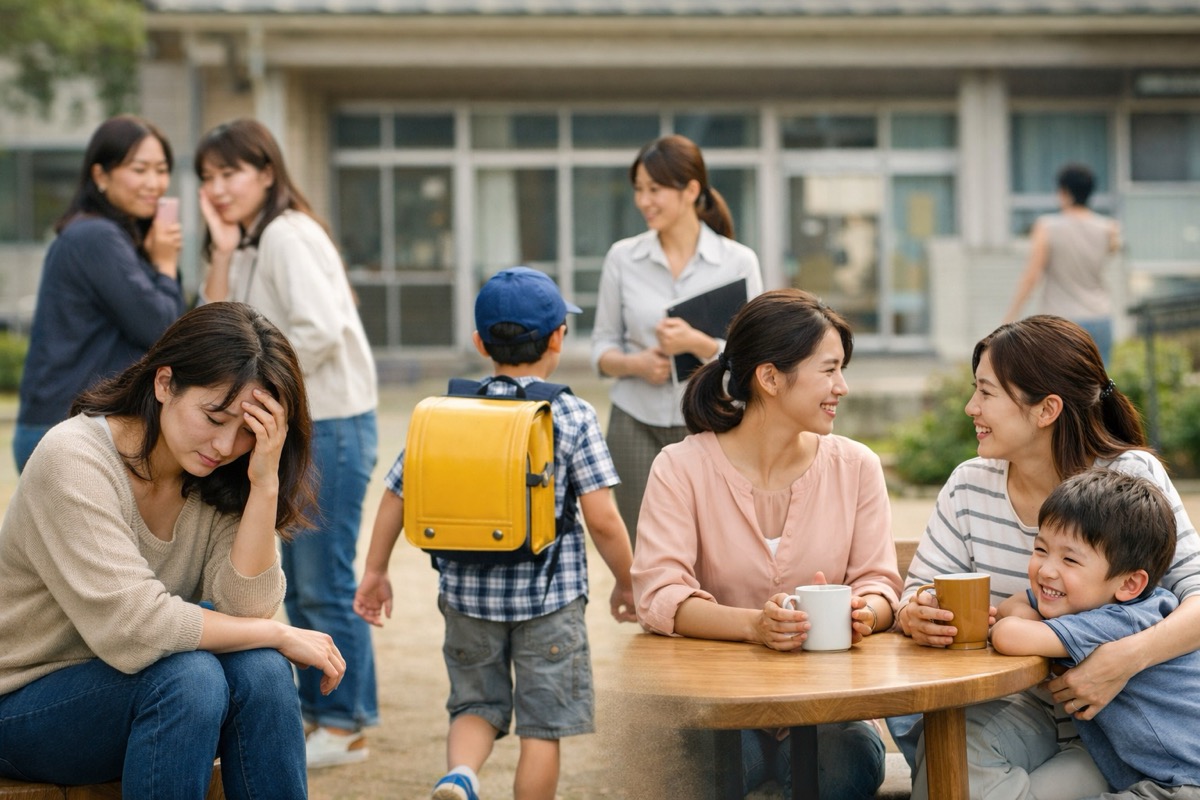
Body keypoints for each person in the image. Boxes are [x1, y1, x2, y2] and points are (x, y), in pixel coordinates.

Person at [0, 302, 345, 798]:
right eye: (214, 417)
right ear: (165, 384)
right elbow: (136, 629)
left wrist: (264, 483)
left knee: (265, 669)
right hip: (24, 704)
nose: (226, 444)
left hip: (138, 688)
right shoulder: (73, 459)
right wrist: (276, 631)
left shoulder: (222, 474)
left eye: (249, 431)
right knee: (191, 677)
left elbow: (243, 608)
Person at [353, 267, 637, 800]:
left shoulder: (445, 412)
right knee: (541, 728)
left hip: (465, 598)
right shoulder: (569, 414)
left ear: (480, 342)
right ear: (558, 338)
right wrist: (628, 581)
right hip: (549, 602)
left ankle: (460, 775)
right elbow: (602, 518)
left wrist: (375, 571)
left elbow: (396, 493)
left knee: (473, 707)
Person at [892, 315, 1200, 800]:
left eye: (987, 393)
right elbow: (916, 596)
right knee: (952, 759)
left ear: (1046, 409)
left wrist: (1121, 660)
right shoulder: (969, 485)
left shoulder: (1129, 476)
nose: (971, 407)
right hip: (1018, 706)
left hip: (1136, 715)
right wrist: (918, 614)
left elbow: (1197, 595)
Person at [632, 288, 902, 799]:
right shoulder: (680, 467)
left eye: (841, 370)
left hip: (832, 710)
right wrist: (754, 626)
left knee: (842, 765)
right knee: (707, 767)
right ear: (771, 377)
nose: (841, 387)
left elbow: (880, 584)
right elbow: (659, 595)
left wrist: (863, 612)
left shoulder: (856, 466)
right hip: (720, 708)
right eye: (828, 370)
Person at [195, 118, 380, 767]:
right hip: (303, 426)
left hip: (327, 423)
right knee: (299, 586)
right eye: (208, 178)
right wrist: (219, 250)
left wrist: (252, 394)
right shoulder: (249, 241)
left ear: (267, 171)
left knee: (323, 582)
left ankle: (344, 721)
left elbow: (319, 331)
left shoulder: (284, 235)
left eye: (231, 173)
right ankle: (317, 711)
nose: (217, 188)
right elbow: (212, 327)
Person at [591, 133, 763, 546]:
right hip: (634, 422)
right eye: (638, 190)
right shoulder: (622, 258)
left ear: (690, 190)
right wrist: (634, 365)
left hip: (712, 422)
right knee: (645, 548)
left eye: (655, 189)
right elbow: (600, 347)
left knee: (715, 547)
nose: (643, 201)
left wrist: (699, 344)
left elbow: (758, 355)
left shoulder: (737, 262)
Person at [992, 468, 1200, 800]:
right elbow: (1014, 606)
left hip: (1182, 783)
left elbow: (1007, 635)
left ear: (1129, 584)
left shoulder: (1121, 621)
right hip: (1149, 772)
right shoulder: (1089, 602)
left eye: (1070, 560)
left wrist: (1022, 622)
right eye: (1041, 550)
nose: (1046, 570)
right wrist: (1027, 616)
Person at [14, 114, 184, 472]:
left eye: (161, 169)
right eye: (139, 169)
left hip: (71, 426)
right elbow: (162, 331)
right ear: (100, 175)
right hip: (66, 433)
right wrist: (166, 265)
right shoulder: (97, 237)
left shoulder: (110, 236)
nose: (154, 183)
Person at [1003, 163, 1121, 364]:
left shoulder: (1046, 227)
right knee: (1098, 390)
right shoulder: (1109, 228)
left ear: (1064, 192)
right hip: (1100, 317)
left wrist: (1010, 317)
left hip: (1062, 323)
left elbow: (1032, 277)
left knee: (1061, 389)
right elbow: (1111, 252)